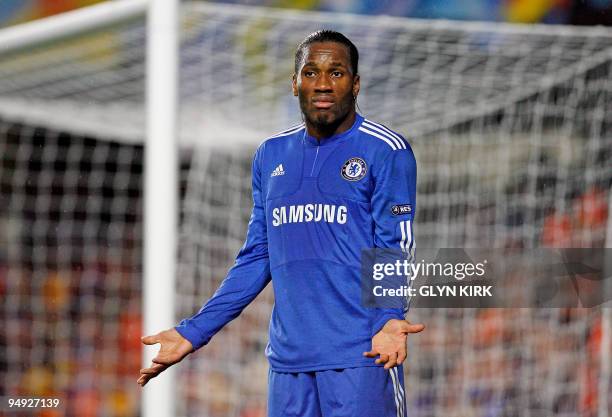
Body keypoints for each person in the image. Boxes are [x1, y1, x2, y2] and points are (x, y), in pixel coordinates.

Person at [138, 30, 424, 417]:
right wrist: (195, 331)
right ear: (294, 83)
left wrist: (391, 317)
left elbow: (395, 245)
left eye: (336, 73)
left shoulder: (385, 150)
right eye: (311, 72)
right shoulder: (270, 155)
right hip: (288, 366)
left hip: (363, 355)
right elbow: (257, 256)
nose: (322, 84)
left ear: (355, 84)